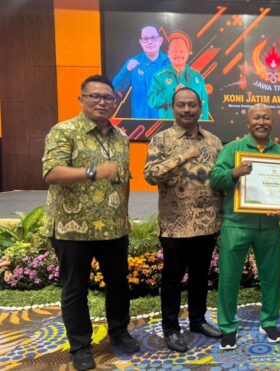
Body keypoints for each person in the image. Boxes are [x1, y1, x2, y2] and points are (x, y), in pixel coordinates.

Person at [42, 75, 139, 371]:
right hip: (73, 229)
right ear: (81, 99)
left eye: (107, 97)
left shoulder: (120, 136)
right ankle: (80, 346)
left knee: (118, 285)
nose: (101, 102)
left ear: (114, 102)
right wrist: (93, 172)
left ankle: (119, 333)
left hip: (113, 228)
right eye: (94, 96)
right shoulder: (64, 131)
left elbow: (123, 180)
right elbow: (51, 173)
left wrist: (125, 215)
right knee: (75, 288)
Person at [143, 88, 223, 352]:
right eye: (181, 105)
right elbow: (151, 175)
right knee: (172, 280)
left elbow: (220, 181)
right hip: (175, 225)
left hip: (206, 223)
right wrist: (182, 156)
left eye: (192, 105)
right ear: (172, 108)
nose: (186, 109)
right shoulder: (161, 139)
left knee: (200, 277)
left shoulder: (213, 141)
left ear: (200, 107)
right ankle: (171, 328)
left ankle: (198, 321)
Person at [211, 103, 280, 350]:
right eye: (257, 117)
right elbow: (215, 178)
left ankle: (269, 321)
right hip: (236, 223)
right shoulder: (232, 149)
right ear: (248, 122)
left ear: (272, 122)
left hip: (269, 226)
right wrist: (234, 172)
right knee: (229, 278)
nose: (262, 121)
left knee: (271, 277)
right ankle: (228, 327)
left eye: (266, 117)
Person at [148, 31, 210, 120]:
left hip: (192, 130)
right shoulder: (159, 77)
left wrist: (202, 128)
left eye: (181, 51)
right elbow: (152, 101)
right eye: (174, 51)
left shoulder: (197, 77)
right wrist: (172, 93)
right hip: (168, 129)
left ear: (187, 53)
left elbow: (204, 106)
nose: (178, 54)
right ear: (168, 53)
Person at [112, 24, 170, 119]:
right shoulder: (133, 63)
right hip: (140, 120)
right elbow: (116, 88)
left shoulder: (170, 63)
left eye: (153, 38)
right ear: (141, 42)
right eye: (146, 39)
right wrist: (127, 71)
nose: (149, 42)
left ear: (160, 40)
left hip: (165, 120)